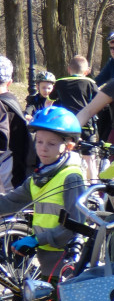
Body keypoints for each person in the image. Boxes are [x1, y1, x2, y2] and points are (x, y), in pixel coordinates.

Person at [0, 106, 85, 279]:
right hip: (46, 255)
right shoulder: (38, 177)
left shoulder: (71, 177)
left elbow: (74, 226)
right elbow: (9, 202)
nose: (43, 148)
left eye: (51, 143)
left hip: (65, 258)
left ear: (68, 146)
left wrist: (37, 239)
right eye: (39, 141)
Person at [0, 55, 33, 191]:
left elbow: (2, 139)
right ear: (10, 82)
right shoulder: (12, 102)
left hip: (6, 176)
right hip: (17, 170)